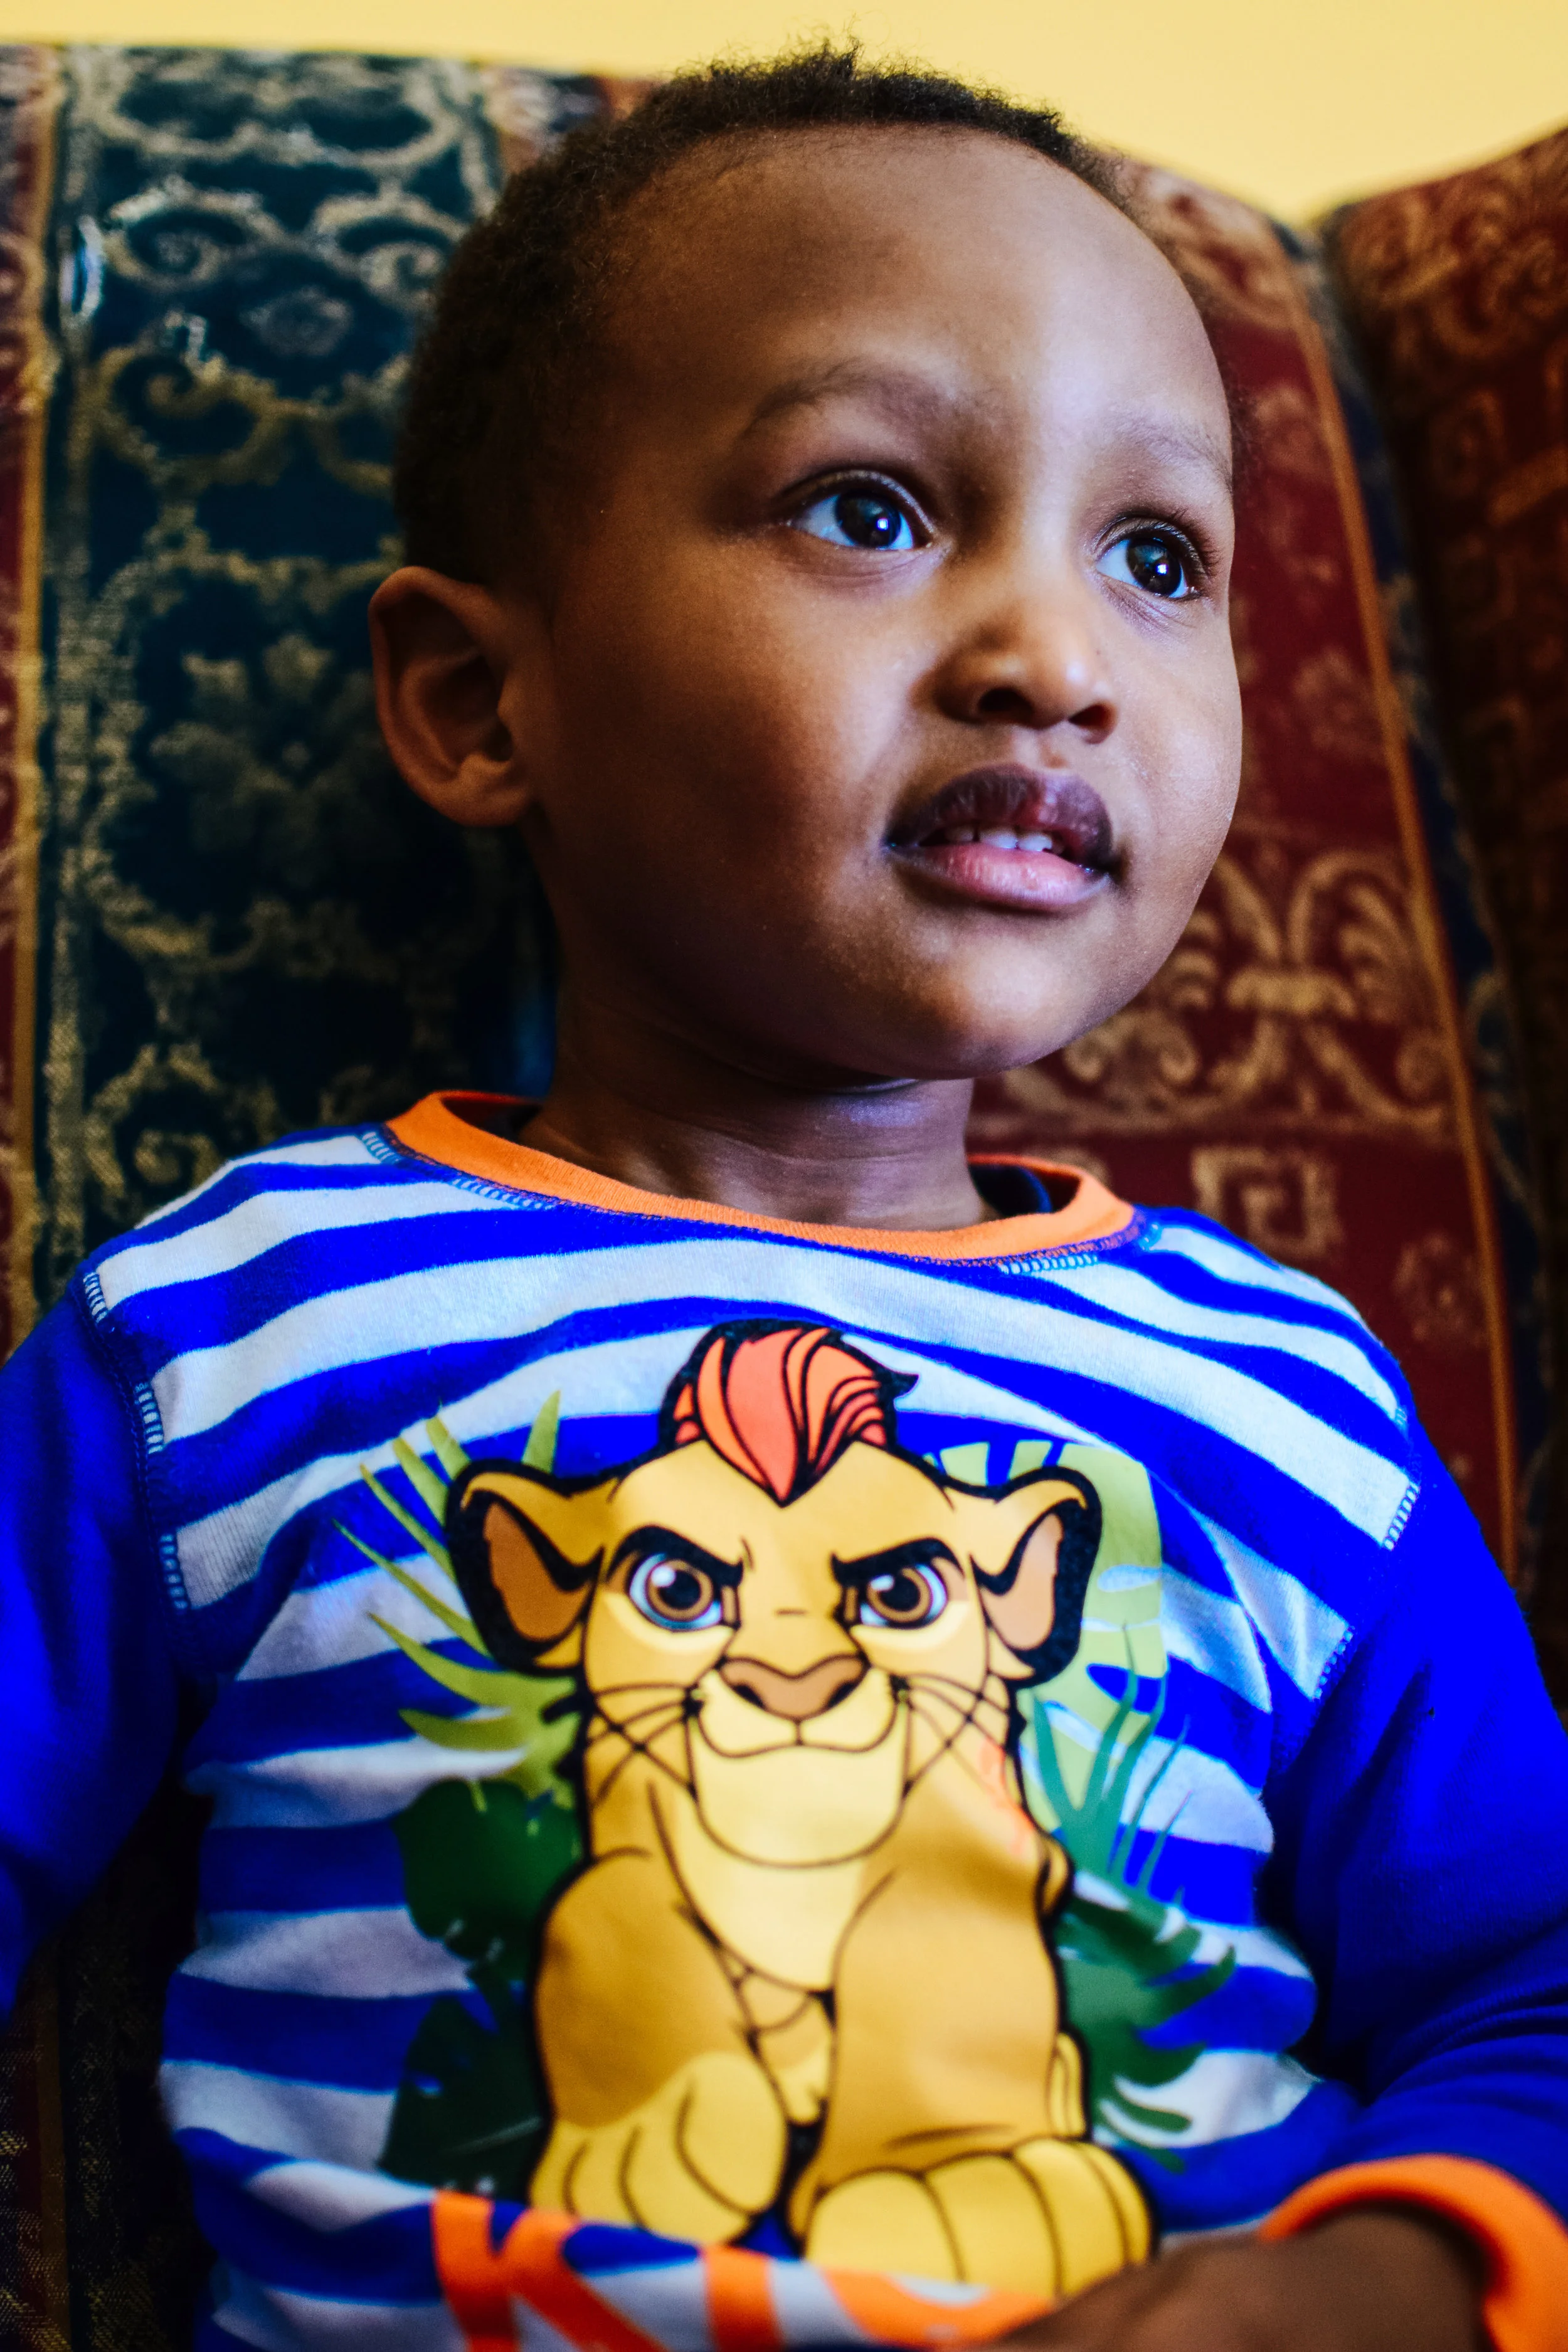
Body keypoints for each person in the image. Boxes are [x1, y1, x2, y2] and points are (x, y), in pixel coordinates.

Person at [3, 46, 1565, 2352]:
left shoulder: (1289, 1394)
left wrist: (1385, 2272)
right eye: (868, 506)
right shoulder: (229, 1323)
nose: (1052, 659)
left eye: (1155, 557)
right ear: (478, 700)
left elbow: (1529, 1979)